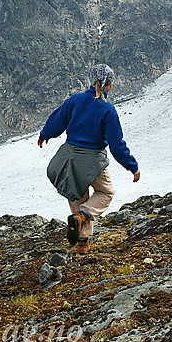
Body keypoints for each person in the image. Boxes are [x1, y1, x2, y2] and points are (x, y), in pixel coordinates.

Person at [39, 64, 140, 255]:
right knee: (106, 192)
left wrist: (45, 134)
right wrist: (132, 166)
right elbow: (116, 145)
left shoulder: (76, 99)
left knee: (77, 193)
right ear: (108, 84)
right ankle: (84, 216)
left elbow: (58, 119)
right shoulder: (107, 110)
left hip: (69, 156)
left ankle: (83, 242)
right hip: (93, 161)